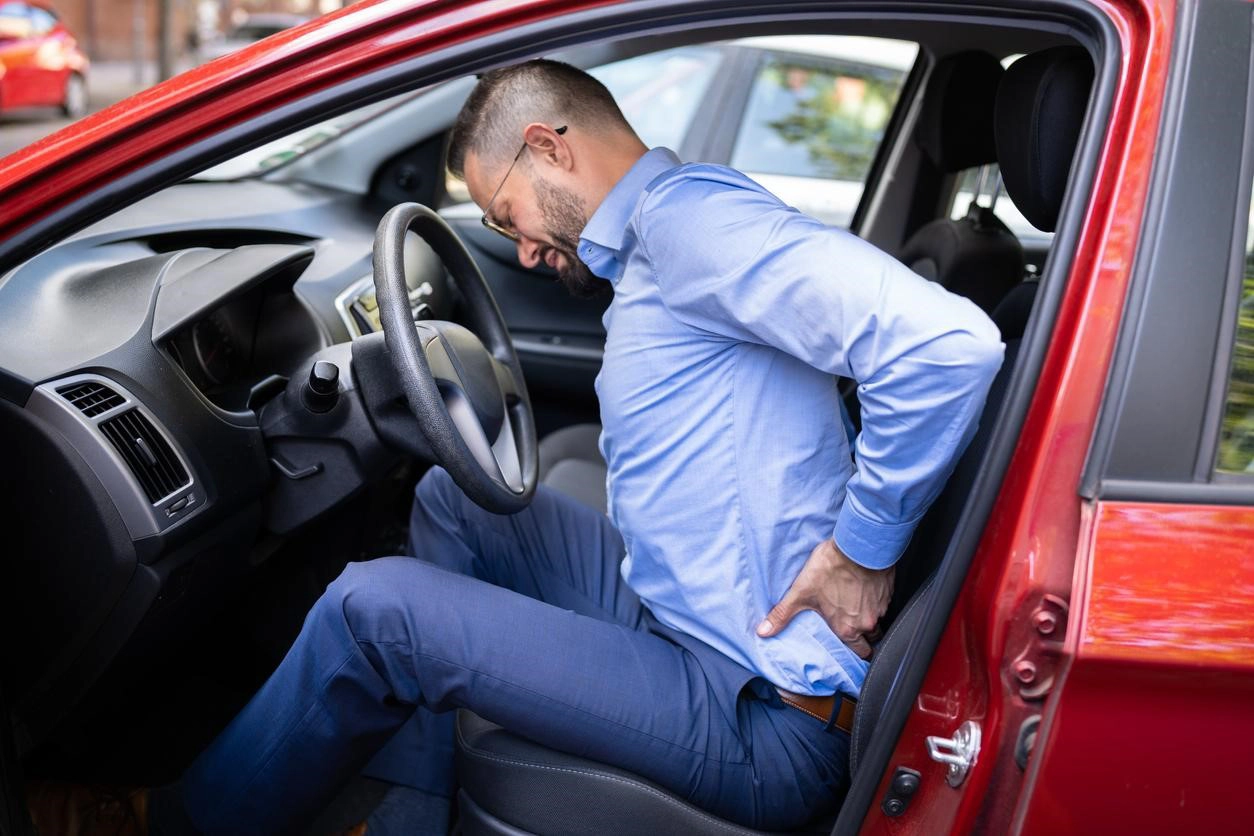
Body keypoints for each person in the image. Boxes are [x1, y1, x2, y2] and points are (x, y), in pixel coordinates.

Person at [144, 58, 1002, 835]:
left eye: (504, 212)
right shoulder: (663, 237)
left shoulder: (694, 227)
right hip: (690, 614)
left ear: (548, 146)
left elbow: (946, 348)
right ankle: (413, 808)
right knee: (454, 500)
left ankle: (170, 828)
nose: (519, 243)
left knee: (374, 610)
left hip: (763, 710)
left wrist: (861, 549)